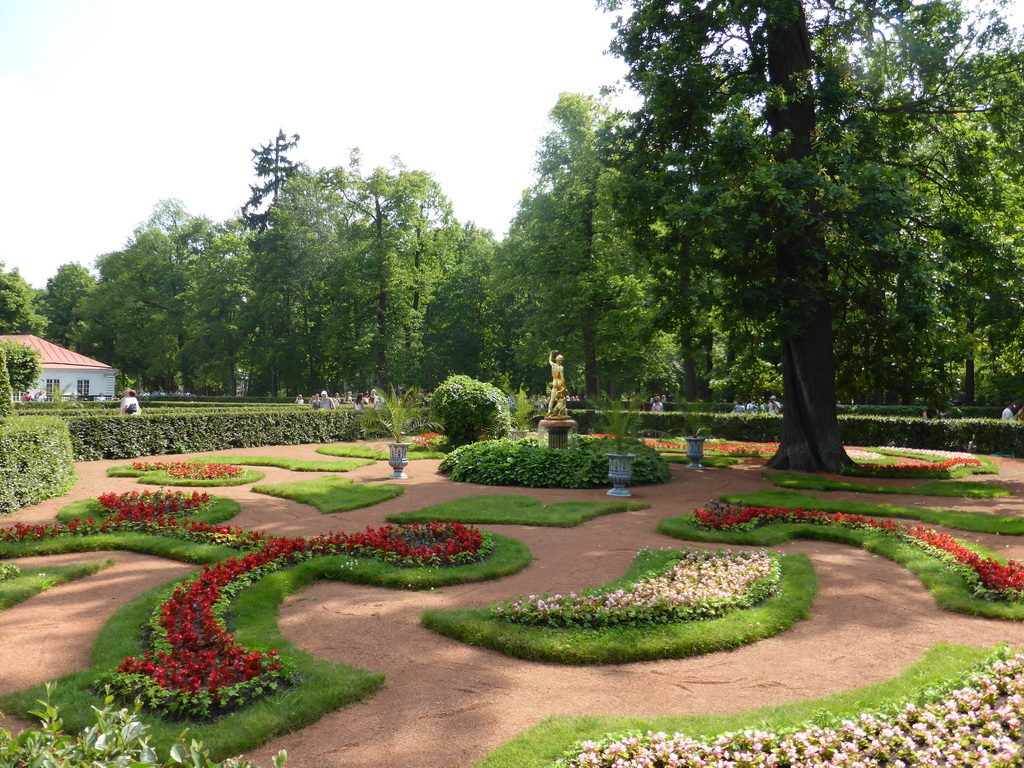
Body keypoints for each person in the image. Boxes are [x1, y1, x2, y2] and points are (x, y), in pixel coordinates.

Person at [546, 350, 569, 418]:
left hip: (554, 383)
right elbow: (562, 378)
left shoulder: (553, 365)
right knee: (561, 399)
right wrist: (564, 386)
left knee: (552, 400)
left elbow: (549, 360)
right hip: (560, 384)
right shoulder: (561, 368)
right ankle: (560, 413)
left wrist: (551, 354)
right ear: (561, 360)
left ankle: (549, 411)